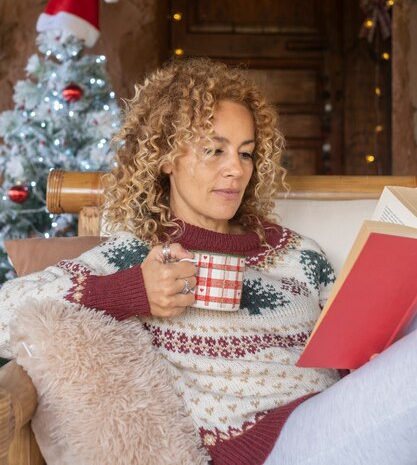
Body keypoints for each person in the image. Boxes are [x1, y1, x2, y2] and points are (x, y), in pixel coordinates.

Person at [0, 57, 416, 465]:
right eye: (213, 150)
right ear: (165, 158)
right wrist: (131, 292)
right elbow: (7, 313)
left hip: (341, 418)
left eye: (246, 153)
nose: (235, 168)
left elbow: (352, 348)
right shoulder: (141, 254)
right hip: (261, 448)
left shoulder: (299, 253)